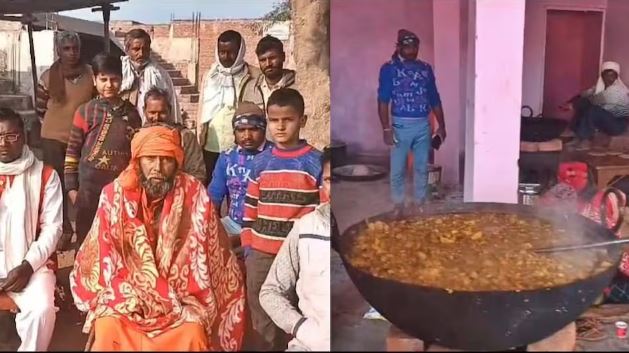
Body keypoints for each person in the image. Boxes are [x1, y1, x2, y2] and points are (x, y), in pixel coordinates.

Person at [69, 125, 246, 351]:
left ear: (177, 162)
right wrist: (137, 291)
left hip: (182, 296)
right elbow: (102, 254)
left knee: (192, 331)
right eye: (150, 158)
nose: (158, 168)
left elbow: (209, 254)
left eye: (166, 159)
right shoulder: (114, 194)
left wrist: (166, 294)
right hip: (128, 294)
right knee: (107, 327)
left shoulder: (194, 194)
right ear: (138, 160)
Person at [241, 88, 322, 351]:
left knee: (298, 310)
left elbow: (322, 210)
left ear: (303, 121)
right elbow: (250, 208)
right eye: (274, 120)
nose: (280, 126)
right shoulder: (260, 162)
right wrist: (248, 247)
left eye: (288, 120)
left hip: (299, 256)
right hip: (262, 253)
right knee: (262, 311)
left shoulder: (315, 162)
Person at [0, 108, 63, 351]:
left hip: (29, 264)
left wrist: (27, 267)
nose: (4, 143)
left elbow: (52, 229)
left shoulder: (45, 175)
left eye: (11, 136)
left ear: (24, 137)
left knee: (42, 311)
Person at [64, 53, 143, 246]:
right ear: (94, 80)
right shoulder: (86, 111)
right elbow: (73, 150)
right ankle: (83, 273)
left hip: (120, 187)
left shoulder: (132, 114)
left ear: (122, 80)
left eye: (114, 79)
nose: (109, 85)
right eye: (103, 79)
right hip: (89, 188)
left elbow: (137, 152)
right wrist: (72, 188)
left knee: (116, 234)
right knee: (86, 235)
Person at [259, 147, 331, 352]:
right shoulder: (306, 227)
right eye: (330, 180)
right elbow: (270, 291)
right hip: (308, 346)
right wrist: (301, 327)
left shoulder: (375, 234)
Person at [377, 29, 446, 218]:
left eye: (415, 46)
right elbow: (383, 100)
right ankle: (398, 205)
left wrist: (442, 125)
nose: (411, 50)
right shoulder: (389, 69)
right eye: (407, 46)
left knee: (421, 168)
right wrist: (386, 128)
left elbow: (434, 98)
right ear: (399, 47)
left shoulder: (425, 69)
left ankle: (420, 204)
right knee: (397, 169)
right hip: (399, 127)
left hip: (423, 126)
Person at [36, 31, 94, 242]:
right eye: (66, 48)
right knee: (57, 184)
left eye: (75, 48)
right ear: (58, 51)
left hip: (81, 138)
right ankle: (64, 230)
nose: (71, 52)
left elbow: (95, 104)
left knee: (80, 183)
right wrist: (55, 128)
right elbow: (40, 109)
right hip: (53, 138)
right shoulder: (47, 76)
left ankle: (85, 228)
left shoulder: (90, 74)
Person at [196, 30, 260, 184]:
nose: (226, 57)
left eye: (231, 52)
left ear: (240, 51)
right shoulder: (210, 76)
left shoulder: (254, 76)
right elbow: (202, 108)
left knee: (238, 189)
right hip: (211, 144)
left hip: (240, 144)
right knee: (211, 191)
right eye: (222, 52)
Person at [143, 87, 206, 183]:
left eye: (162, 113)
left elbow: (197, 174)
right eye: (152, 113)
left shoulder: (185, 137)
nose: (157, 118)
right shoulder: (140, 136)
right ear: (144, 111)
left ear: (170, 110)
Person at [563, 61, 629, 150]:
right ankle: (577, 135)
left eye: (612, 75)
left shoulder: (618, 91)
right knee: (585, 104)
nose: (609, 78)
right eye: (606, 75)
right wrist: (570, 102)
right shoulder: (599, 88)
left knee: (593, 109)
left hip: (617, 125)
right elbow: (583, 95)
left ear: (616, 77)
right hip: (604, 122)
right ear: (602, 75)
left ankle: (585, 139)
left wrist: (573, 105)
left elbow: (594, 100)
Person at [119, 28, 180, 124]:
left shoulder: (160, 74)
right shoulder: (119, 72)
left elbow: (172, 105)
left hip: (153, 130)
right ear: (127, 50)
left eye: (145, 49)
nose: (141, 53)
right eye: (136, 49)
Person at [241, 35, 296, 111]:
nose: (268, 64)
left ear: (283, 56)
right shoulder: (251, 88)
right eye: (263, 60)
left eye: (272, 58)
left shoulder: (297, 84)